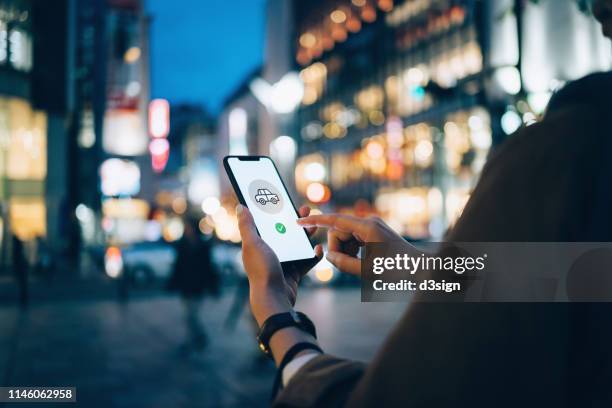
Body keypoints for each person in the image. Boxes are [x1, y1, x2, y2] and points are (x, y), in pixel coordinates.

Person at [236, 1, 612, 406]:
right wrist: (417, 269)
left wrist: (277, 318)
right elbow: (589, 277)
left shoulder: (571, 152)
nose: (592, 7)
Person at [167, 218, 219, 353]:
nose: (187, 230)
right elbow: (178, 266)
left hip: (197, 285)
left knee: (191, 315)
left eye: (189, 227)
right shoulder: (182, 244)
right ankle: (198, 337)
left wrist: (213, 287)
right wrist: (172, 282)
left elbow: (208, 267)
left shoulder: (202, 245)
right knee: (188, 315)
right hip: (186, 285)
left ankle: (192, 340)